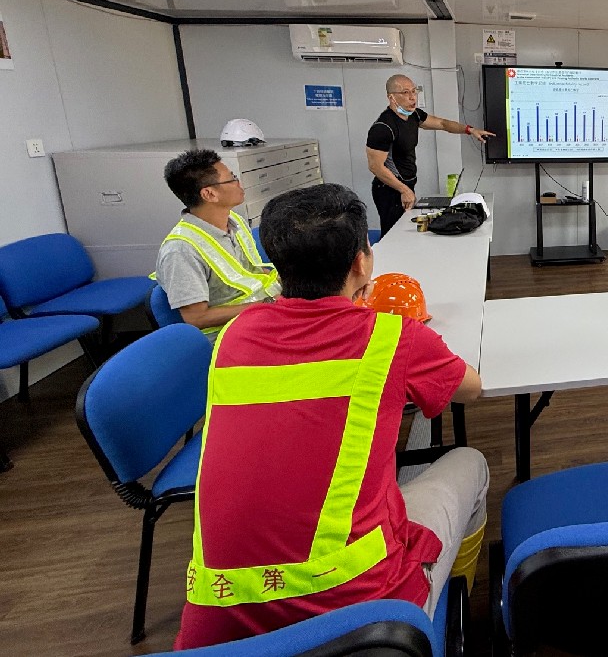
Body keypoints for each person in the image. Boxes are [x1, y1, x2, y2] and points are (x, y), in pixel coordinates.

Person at [176, 183, 489, 648]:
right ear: (362, 261)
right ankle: (440, 620)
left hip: (224, 620)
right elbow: (471, 391)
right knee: (472, 463)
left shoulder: (233, 336)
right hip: (362, 615)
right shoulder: (391, 336)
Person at [156, 149, 280, 340]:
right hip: (230, 335)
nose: (239, 183)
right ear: (209, 194)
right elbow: (196, 318)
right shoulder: (181, 250)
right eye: (232, 179)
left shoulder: (233, 222)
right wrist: (267, 304)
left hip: (264, 315)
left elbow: (251, 272)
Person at [365, 74, 495, 236]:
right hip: (389, 189)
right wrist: (404, 190)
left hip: (406, 185)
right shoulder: (383, 127)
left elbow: (442, 124)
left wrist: (470, 130)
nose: (412, 97)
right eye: (405, 93)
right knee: (393, 235)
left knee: (405, 234)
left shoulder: (414, 115)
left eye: (414, 91)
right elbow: (375, 166)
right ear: (391, 97)